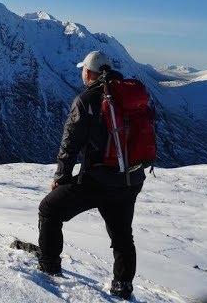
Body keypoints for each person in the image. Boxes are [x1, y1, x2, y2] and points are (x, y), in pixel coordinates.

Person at [37, 50, 146, 300]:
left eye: (82, 70)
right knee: (122, 235)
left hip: (99, 180)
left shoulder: (87, 99)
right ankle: (122, 287)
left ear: (88, 72)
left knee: (49, 210)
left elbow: (70, 144)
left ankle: (49, 267)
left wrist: (62, 177)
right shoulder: (129, 95)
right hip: (131, 179)